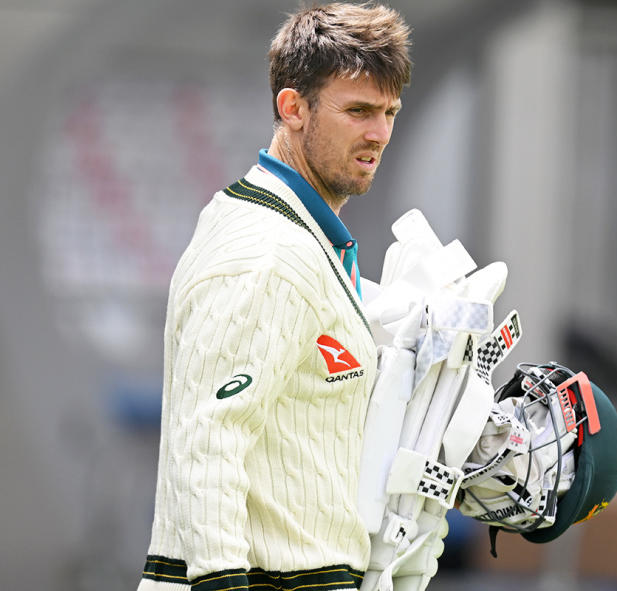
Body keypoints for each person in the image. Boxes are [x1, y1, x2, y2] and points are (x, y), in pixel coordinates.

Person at [137, 4, 412, 590]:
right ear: (293, 108)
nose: (379, 133)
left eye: (389, 112)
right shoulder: (266, 253)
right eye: (358, 110)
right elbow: (207, 439)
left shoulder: (296, 235)